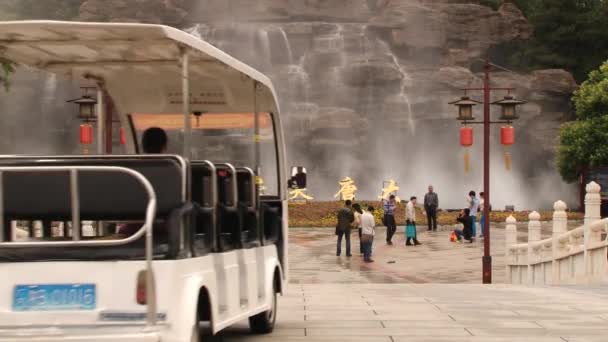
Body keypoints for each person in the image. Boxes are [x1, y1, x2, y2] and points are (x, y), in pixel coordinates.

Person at [117, 127, 168, 236]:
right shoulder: (172, 168)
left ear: (143, 145)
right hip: (165, 226)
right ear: (164, 146)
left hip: (133, 226)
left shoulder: (130, 169)